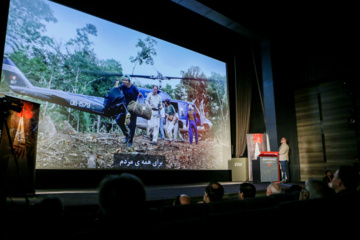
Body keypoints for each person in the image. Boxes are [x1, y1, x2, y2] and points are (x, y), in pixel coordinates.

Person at [115, 75, 142, 148]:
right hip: (125, 107)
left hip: (133, 108)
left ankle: (130, 141)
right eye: (123, 80)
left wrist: (139, 95)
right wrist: (117, 83)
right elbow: (116, 90)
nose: (124, 82)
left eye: (126, 80)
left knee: (132, 126)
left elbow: (138, 94)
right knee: (118, 120)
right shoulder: (123, 86)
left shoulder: (134, 88)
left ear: (129, 81)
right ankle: (126, 135)